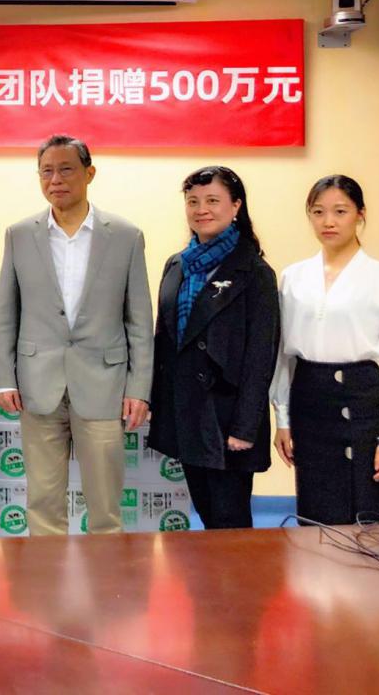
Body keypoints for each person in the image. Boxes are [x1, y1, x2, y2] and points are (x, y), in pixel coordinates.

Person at [0, 134, 153, 537]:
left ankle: (106, 575)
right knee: (43, 502)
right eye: (46, 171)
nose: (55, 180)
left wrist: (140, 388)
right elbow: (7, 312)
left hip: (104, 385)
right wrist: (4, 378)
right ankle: (47, 577)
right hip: (38, 385)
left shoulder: (126, 236)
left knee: (105, 507)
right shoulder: (19, 234)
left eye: (66, 169)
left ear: (89, 173)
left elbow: (139, 321)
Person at [271, 175, 379, 525]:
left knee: (371, 515)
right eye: (318, 212)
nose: (328, 221)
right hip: (310, 404)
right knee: (318, 516)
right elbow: (283, 357)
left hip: (364, 405)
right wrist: (282, 418)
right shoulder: (293, 277)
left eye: (340, 211)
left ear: (360, 214)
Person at [148, 166, 279, 529]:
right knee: (206, 515)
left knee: (230, 522)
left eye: (212, 200)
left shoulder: (254, 272)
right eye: (193, 201)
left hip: (227, 418)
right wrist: (157, 404)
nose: (201, 209)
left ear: (236, 206)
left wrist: (246, 427)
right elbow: (164, 341)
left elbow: (261, 356)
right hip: (186, 412)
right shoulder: (177, 265)